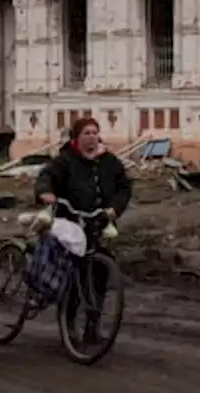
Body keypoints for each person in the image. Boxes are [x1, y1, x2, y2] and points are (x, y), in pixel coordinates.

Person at [33, 117, 132, 342]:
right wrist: (45, 193)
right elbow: (46, 177)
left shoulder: (109, 161)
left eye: (94, 132)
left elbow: (124, 187)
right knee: (73, 275)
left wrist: (114, 209)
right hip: (71, 223)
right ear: (77, 137)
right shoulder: (65, 160)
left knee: (99, 275)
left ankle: (92, 325)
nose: (91, 137)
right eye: (86, 133)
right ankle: (68, 322)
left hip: (99, 224)